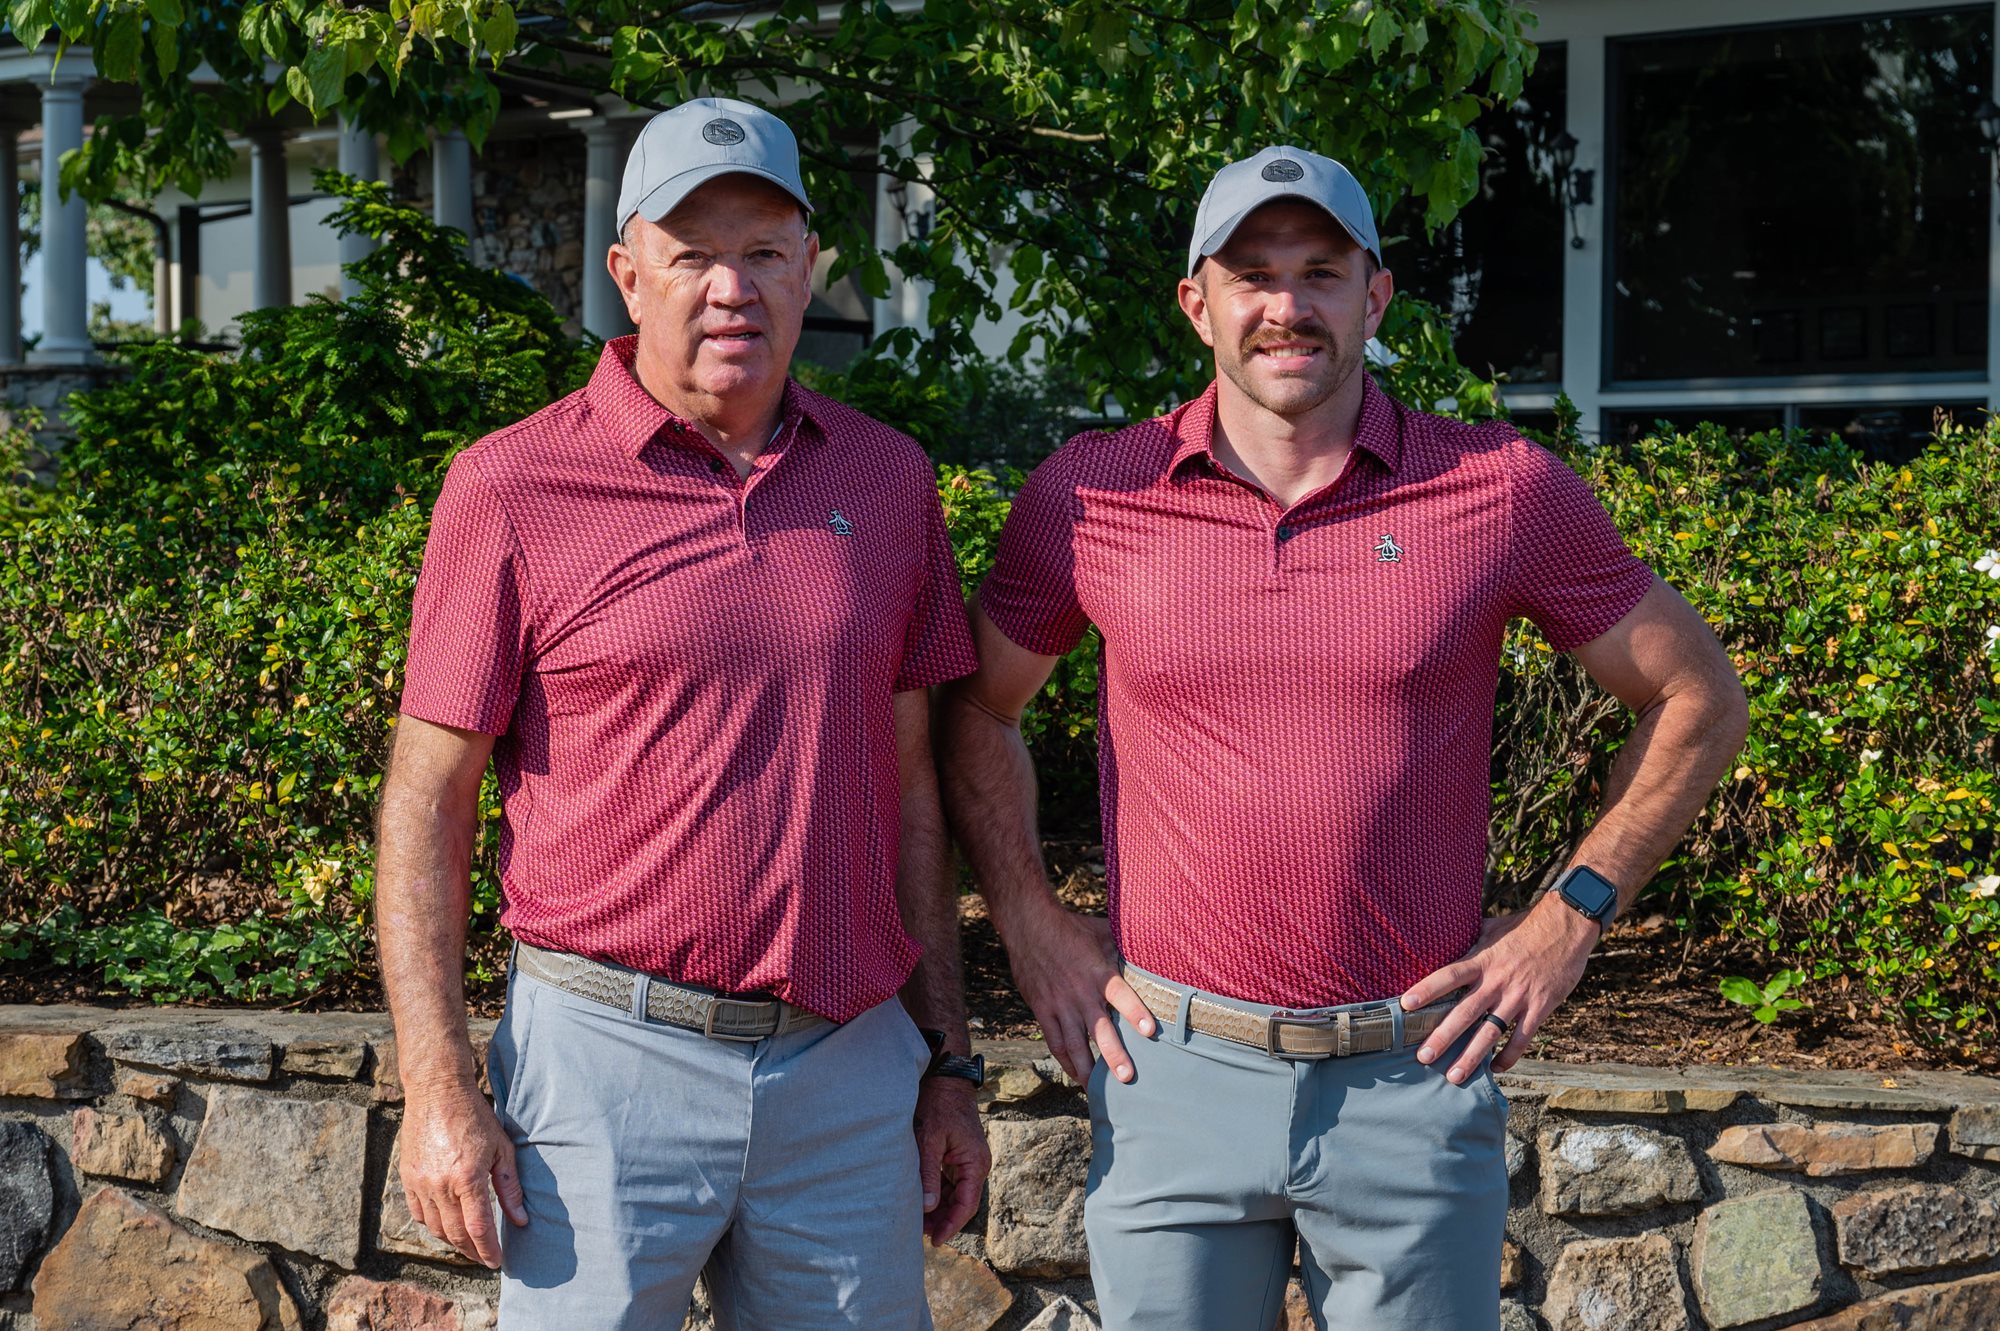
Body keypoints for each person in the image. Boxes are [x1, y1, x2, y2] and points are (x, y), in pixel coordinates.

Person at [939, 145, 1749, 1330]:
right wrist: (1026, 921)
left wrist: (1566, 918)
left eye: (1319, 271)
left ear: (1374, 295)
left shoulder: (1498, 488)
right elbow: (974, 706)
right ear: (1196, 303)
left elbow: (1696, 697)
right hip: (1171, 1068)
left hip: (1409, 1076)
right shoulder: (1092, 494)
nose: (1286, 306)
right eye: (1252, 275)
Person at [376, 96, 990, 1330]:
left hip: (843, 1069)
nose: (730, 288)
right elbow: (426, 799)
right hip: (603, 1066)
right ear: (626, 275)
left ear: (808, 267)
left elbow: (914, 789)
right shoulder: (511, 484)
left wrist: (947, 1061)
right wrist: (436, 1079)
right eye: (692, 254)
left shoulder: (887, 480)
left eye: (763, 252)